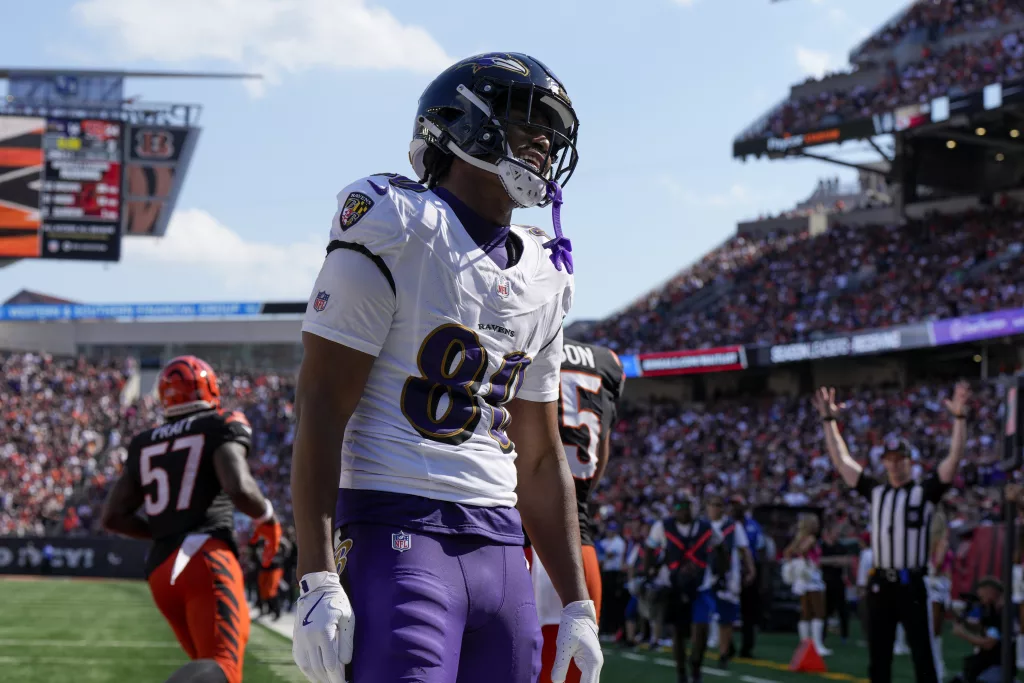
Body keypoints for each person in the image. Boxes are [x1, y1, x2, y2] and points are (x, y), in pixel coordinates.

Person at [290, 52, 601, 683]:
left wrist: (576, 602)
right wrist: (317, 575)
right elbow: (322, 403)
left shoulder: (546, 272)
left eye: (551, 130)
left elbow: (540, 457)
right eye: (526, 121)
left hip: (501, 546)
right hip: (396, 526)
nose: (543, 141)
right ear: (462, 123)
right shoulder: (397, 221)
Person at [102, 355, 277, 683]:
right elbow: (239, 488)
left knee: (207, 665)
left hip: (160, 569)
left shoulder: (145, 442)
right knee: (224, 666)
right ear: (209, 388)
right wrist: (267, 515)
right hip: (204, 558)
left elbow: (113, 517)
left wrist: (164, 532)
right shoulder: (220, 424)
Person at [813, 381, 969, 683]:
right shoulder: (877, 491)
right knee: (878, 657)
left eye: (901, 460)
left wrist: (960, 419)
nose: (895, 465)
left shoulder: (924, 493)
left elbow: (953, 461)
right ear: (883, 463)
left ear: (911, 463)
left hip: (912, 584)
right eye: (890, 460)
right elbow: (841, 461)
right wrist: (829, 421)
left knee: (923, 656)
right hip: (881, 583)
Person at [527, 338, 625, 683]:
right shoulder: (607, 361)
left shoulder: (520, 333)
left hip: (513, 538)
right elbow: (599, 459)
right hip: (576, 544)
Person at [648, 498, 715, 683]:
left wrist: (720, 573)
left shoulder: (706, 527)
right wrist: (649, 571)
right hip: (674, 586)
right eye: (679, 508)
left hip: (701, 585)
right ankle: (681, 671)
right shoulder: (662, 526)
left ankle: (696, 665)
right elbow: (650, 548)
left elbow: (720, 547)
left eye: (687, 508)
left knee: (701, 628)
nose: (684, 512)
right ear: (674, 510)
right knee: (678, 631)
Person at [692, 494, 755, 673]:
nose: (715, 509)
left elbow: (744, 549)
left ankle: (724, 653)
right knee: (704, 616)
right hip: (705, 575)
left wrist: (750, 569)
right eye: (712, 505)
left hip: (728, 577)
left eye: (718, 505)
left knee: (726, 617)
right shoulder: (701, 527)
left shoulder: (734, 527)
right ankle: (703, 652)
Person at [783, 514, 831, 655]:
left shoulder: (798, 538)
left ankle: (805, 644)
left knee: (806, 612)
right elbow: (802, 551)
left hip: (802, 578)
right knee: (818, 611)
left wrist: (795, 564)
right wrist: (805, 561)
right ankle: (817, 645)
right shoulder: (810, 538)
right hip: (811, 576)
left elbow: (787, 552)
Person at [949, 577, 1010, 683]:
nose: (980, 598)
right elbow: (985, 630)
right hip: (986, 662)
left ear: (990, 591)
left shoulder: (1003, 614)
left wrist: (962, 633)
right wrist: (964, 622)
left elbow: (989, 643)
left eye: (982, 595)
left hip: (998, 665)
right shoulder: (992, 610)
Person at [731, 496, 764, 658]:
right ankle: (727, 645)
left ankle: (747, 647)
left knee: (749, 611)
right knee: (728, 609)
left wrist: (754, 570)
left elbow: (760, 548)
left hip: (749, 569)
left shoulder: (753, 525)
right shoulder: (727, 525)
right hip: (731, 568)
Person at [925, 505, 953, 681]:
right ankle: (937, 668)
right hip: (938, 586)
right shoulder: (942, 543)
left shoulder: (926, 543)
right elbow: (939, 566)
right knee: (935, 632)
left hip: (933, 586)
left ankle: (937, 667)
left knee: (933, 631)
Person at [819, 522, 853, 646]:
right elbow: (818, 561)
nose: (837, 535)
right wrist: (835, 560)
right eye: (835, 532)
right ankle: (821, 636)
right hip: (824, 582)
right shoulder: (822, 547)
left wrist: (829, 561)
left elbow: (847, 561)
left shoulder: (841, 547)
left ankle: (844, 636)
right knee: (825, 611)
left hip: (838, 582)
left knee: (843, 610)